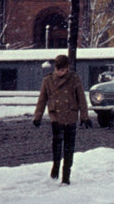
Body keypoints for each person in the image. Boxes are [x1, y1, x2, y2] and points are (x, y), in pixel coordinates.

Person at [33, 55, 91, 185]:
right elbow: (42, 99)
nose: (60, 72)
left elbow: (81, 99)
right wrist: (37, 117)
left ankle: (66, 176)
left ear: (67, 68)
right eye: (58, 69)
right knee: (57, 145)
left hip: (70, 116)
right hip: (56, 117)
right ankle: (56, 166)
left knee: (69, 149)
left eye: (63, 70)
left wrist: (84, 117)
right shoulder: (48, 80)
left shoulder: (74, 79)